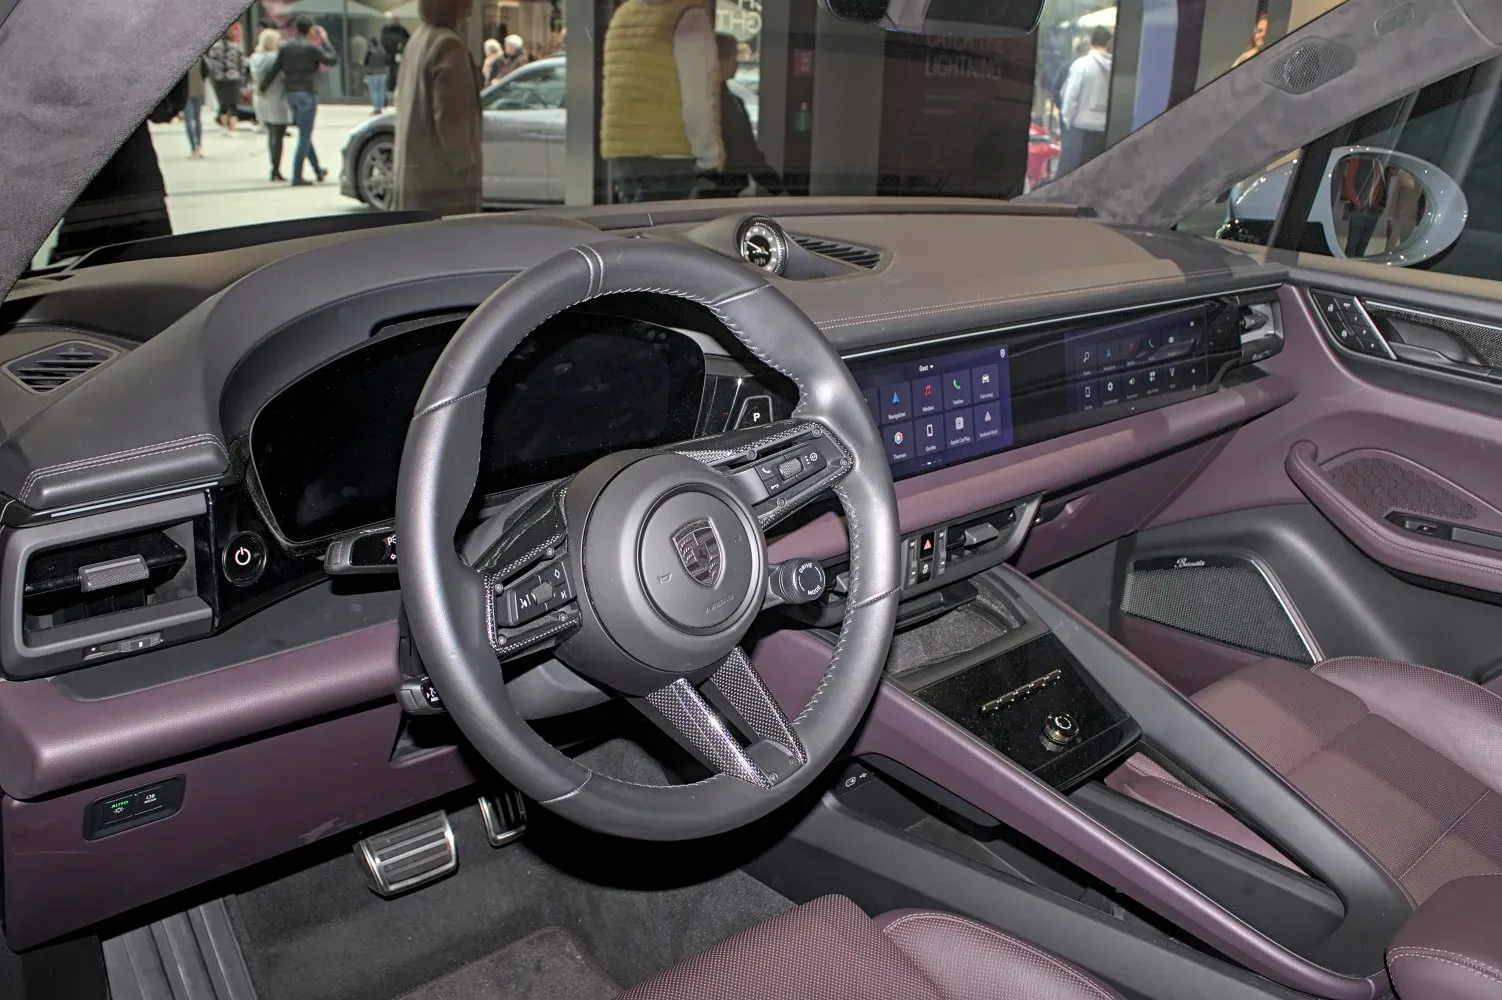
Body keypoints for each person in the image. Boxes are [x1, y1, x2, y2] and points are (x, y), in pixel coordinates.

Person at [600, 0, 723, 203]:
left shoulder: (623, 15)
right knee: (663, 222)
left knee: (634, 220)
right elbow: (696, 100)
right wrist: (708, 156)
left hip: (625, 153)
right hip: (670, 157)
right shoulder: (690, 17)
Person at [393, 0, 482, 216]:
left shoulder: (417, 39)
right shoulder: (448, 46)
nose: (470, 9)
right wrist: (466, 173)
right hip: (442, 190)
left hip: (415, 183)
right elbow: (451, 121)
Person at [696, 33, 783, 198]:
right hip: (717, 189)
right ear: (719, 61)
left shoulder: (727, 100)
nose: (737, 64)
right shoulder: (722, 104)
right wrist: (778, 189)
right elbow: (746, 152)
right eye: (733, 57)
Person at [259, 16, 338, 186]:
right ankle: (297, 175)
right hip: (307, 93)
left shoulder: (286, 47)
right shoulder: (311, 48)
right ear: (310, 30)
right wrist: (325, 40)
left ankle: (317, 170)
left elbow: (275, 69)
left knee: (304, 133)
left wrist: (263, 87)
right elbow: (332, 59)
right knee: (304, 135)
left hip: (291, 93)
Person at [1059, 26, 1112, 175]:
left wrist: (1067, 119)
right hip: (1104, 129)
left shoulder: (1081, 65)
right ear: (1108, 43)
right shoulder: (1115, 68)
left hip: (1081, 129)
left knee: (1075, 174)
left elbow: (1071, 96)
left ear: (1091, 41)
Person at [248, 29, 291, 181]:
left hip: (261, 98)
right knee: (278, 135)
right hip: (277, 97)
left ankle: (273, 166)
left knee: (271, 134)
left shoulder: (254, 58)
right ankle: (276, 168)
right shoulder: (275, 58)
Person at [205, 29, 246, 133]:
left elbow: (211, 65)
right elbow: (242, 65)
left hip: (219, 79)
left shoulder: (214, 48)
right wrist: (242, 79)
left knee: (222, 104)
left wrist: (212, 78)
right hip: (233, 79)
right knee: (233, 105)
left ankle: (224, 127)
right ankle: (232, 129)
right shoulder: (236, 47)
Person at [380, 11, 410, 94]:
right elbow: (384, 42)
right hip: (392, 55)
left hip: (397, 55)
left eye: (396, 19)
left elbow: (408, 40)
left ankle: (395, 86)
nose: (396, 21)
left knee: (397, 70)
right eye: (394, 19)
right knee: (392, 71)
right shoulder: (388, 30)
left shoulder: (401, 30)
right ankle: (392, 87)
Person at [183, 58, 207, 158]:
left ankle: (193, 148)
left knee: (188, 120)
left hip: (185, 92)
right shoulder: (200, 58)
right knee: (197, 118)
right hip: (199, 90)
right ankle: (198, 145)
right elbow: (206, 72)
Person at [365, 38, 390, 111]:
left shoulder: (370, 52)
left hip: (373, 73)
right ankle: (381, 107)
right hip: (382, 73)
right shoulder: (383, 51)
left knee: (374, 91)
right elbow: (387, 60)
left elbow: (366, 62)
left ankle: (376, 107)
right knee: (381, 91)